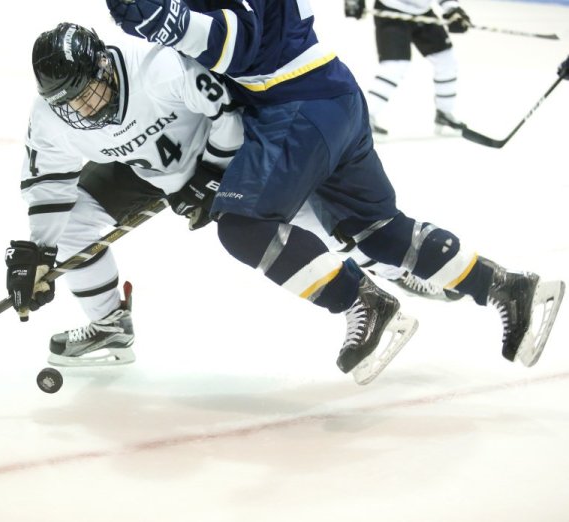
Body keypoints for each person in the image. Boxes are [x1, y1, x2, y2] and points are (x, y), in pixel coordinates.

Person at [106, 0, 565, 384]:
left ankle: (361, 300)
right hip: (326, 96)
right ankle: (507, 287)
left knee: (243, 226)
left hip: (295, 105)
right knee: (380, 234)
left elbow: (239, 41)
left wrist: (159, 17)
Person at [5, 22, 243, 367]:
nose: (82, 111)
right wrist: (42, 251)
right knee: (71, 224)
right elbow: (48, 183)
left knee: (289, 210)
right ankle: (109, 325)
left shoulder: (155, 66)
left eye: (85, 94)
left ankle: (350, 258)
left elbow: (228, 110)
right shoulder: (49, 116)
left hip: (215, 151)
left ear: (103, 66)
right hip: (144, 167)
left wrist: (212, 173)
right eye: (68, 104)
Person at [344, 0, 471, 135]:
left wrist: (453, 9)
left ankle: (444, 115)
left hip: (423, 12)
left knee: (446, 60)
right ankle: (363, 120)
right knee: (395, 65)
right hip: (391, 10)